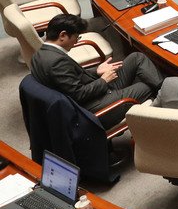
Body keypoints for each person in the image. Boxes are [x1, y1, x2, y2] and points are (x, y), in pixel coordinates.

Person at [32, 14, 163, 127]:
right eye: (77, 37)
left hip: (96, 89)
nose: (76, 42)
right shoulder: (56, 62)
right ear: (63, 35)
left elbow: (72, 78)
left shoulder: (40, 54)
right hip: (94, 106)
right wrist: (103, 80)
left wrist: (97, 71)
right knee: (145, 86)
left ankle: (164, 87)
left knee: (136, 58)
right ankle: (166, 96)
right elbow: (78, 95)